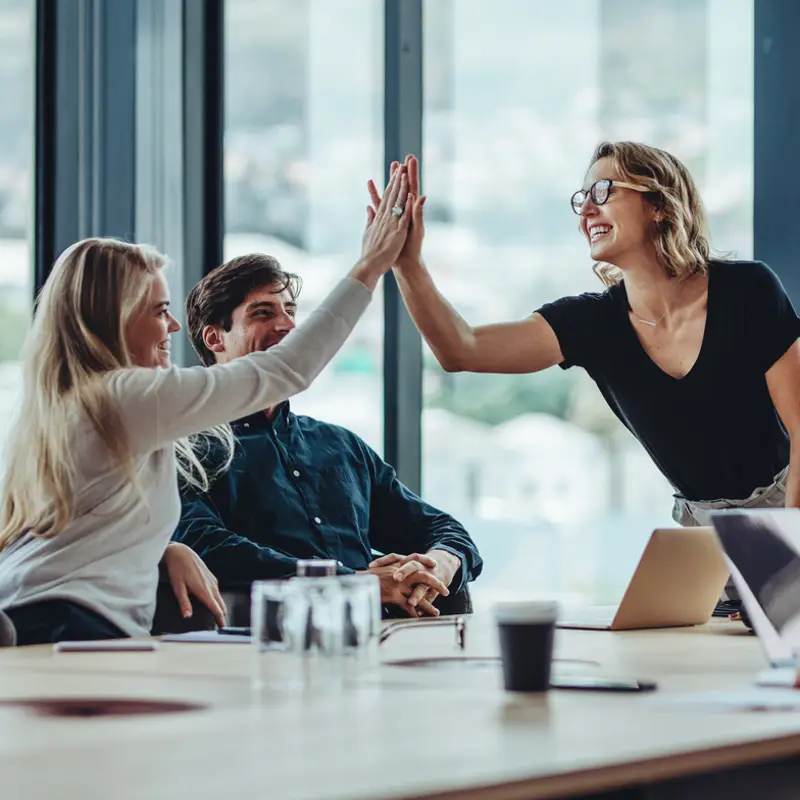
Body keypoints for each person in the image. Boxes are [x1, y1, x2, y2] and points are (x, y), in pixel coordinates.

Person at [0, 165, 412, 645]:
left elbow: (81, 529)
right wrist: (369, 267)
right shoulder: (123, 397)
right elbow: (286, 369)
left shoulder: (63, 404)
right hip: (71, 626)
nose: (172, 328)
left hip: (36, 618)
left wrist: (164, 549)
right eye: (158, 311)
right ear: (113, 319)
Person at [368, 145, 800, 536]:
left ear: (659, 205)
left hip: (791, 509)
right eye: (581, 200)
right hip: (704, 538)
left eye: (602, 192)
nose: (585, 213)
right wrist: (407, 263)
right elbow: (460, 349)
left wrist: (787, 557)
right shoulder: (592, 323)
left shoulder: (748, 290)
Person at [173, 254, 483, 619]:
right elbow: (206, 545)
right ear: (215, 337)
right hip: (265, 646)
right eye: (263, 313)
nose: (288, 325)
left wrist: (439, 564)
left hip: (383, 641)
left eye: (290, 310)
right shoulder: (186, 449)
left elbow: (442, 528)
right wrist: (352, 582)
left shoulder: (340, 445)